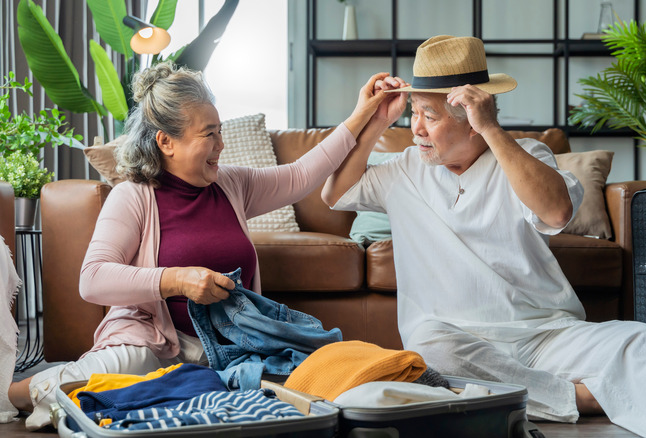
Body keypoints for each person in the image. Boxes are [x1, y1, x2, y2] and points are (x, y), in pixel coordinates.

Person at [321, 35, 646, 438]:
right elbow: (333, 193)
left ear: (470, 113)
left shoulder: (527, 156)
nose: (416, 128)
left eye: (430, 115)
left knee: (635, 339)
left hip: (546, 333)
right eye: (414, 113)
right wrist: (373, 120)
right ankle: (581, 399)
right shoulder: (403, 170)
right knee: (429, 349)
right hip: (460, 341)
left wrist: (493, 130)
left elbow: (556, 210)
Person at [2, 61, 393, 430]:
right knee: (113, 375)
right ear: (166, 142)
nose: (221, 144)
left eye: (219, 130)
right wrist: (177, 280)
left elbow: (301, 174)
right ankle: (16, 393)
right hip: (153, 345)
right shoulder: (134, 197)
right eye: (209, 134)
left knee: (311, 380)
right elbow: (92, 279)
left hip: (232, 349)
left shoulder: (232, 184)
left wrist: (364, 115)